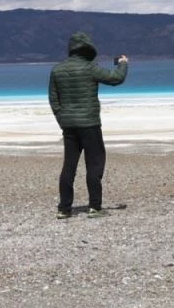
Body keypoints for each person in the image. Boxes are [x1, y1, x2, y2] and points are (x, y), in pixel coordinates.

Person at [48, 32, 128, 219]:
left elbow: (53, 99)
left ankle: (64, 208)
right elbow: (116, 78)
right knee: (95, 164)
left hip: (68, 125)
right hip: (90, 124)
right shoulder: (90, 68)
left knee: (69, 166)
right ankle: (94, 206)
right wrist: (123, 63)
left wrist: (62, 119)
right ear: (88, 48)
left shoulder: (57, 70)